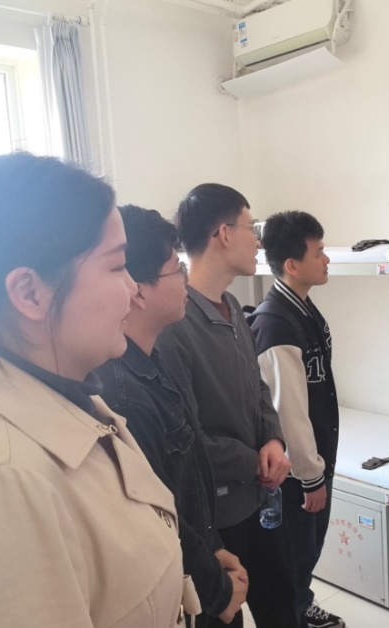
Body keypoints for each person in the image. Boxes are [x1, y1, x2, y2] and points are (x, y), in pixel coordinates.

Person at [0, 153, 194, 626]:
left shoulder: (63, 392)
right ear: (30, 293)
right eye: (116, 267)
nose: (132, 289)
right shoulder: (2, 487)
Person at [96, 205, 248, 626]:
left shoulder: (153, 359)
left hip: (203, 565)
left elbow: (184, 484)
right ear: (138, 290)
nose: (185, 279)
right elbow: (159, 519)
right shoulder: (124, 397)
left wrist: (214, 546)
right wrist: (217, 589)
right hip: (187, 592)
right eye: (176, 269)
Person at [157, 183, 297, 628]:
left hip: (260, 498)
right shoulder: (175, 324)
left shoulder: (234, 307)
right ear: (223, 233)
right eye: (251, 228)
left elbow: (257, 387)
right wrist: (251, 459)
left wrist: (272, 438)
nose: (258, 240)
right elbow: (184, 435)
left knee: (282, 605)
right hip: (217, 516)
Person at [248, 211, 344, 628]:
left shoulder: (302, 309)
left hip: (317, 458)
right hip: (295, 476)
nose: (326, 259)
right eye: (318, 252)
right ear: (292, 264)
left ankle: (303, 605)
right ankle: (296, 611)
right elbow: (288, 413)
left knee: (307, 553)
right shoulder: (276, 325)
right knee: (294, 559)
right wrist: (310, 477)